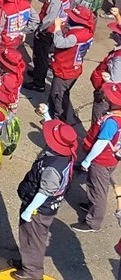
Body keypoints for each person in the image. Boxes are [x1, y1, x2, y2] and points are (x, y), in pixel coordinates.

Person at [14, 119, 76, 280]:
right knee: (31, 237)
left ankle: (31, 272)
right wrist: (47, 116)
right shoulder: (66, 154)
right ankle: (27, 262)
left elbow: (45, 191)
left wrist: (29, 210)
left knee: (33, 238)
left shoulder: (52, 168)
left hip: (39, 209)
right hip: (47, 207)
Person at [73, 81, 121, 233]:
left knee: (98, 189)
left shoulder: (112, 122)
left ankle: (93, 222)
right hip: (110, 158)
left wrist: (87, 160)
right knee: (95, 184)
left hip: (101, 159)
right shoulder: (116, 116)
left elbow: (102, 142)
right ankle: (91, 205)